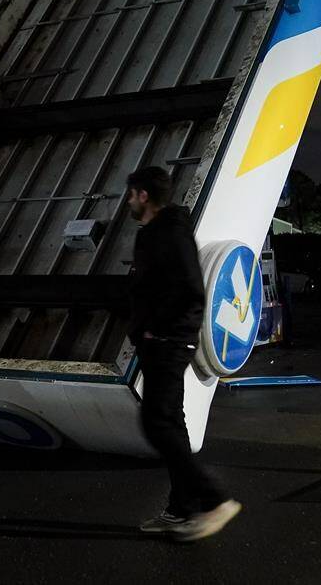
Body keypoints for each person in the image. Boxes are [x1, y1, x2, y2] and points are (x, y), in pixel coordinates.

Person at [125, 166, 241, 540]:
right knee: (171, 424)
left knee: (156, 424)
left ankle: (215, 499)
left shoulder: (170, 233)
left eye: (130, 194)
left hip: (168, 342)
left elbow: (192, 289)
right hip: (161, 340)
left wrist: (156, 328)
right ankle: (181, 510)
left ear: (143, 195)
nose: (127, 201)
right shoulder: (156, 234)